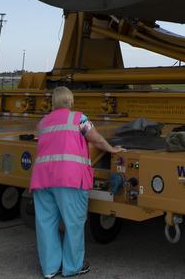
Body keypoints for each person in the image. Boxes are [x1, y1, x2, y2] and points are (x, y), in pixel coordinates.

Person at [30, 86, 125, 279]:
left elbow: (41, 140)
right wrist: (112, 149)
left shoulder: (43, 122)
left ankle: (50, 268)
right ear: (70, 101)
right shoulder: (79, 118)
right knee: (73, 223)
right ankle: (73, 267)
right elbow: (96, 139)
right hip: (69, 179)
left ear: (53, 102)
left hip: (42, 179)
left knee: (46, 224)